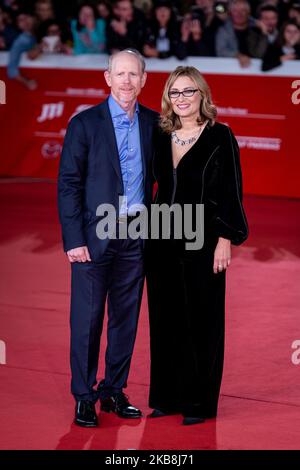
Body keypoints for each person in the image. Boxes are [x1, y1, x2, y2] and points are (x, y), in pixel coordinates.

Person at [58, 49, 158, 428]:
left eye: (134, 74)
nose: (127, 81)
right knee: (87, 319)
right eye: (120, 74)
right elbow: (68, 184)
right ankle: (84, 396)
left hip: (136, 233)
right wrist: (73, 239)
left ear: (144, 79)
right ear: (107, 77)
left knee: (125, 319)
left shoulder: (152, 123)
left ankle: (113, 390)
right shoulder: (84, 125)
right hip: (93, 235)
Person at [146, 66, 248, 425]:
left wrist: (226, 239)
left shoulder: (221, 136)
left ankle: (198, 403)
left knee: (202, 320)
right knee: (164, 318)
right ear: (168, 99)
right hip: (160, 238)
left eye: (189, 91)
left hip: (203, 239)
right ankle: (166, 397)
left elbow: (232, 192)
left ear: (202, 95)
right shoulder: (160, 136)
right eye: (175, 93)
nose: (182, 99)